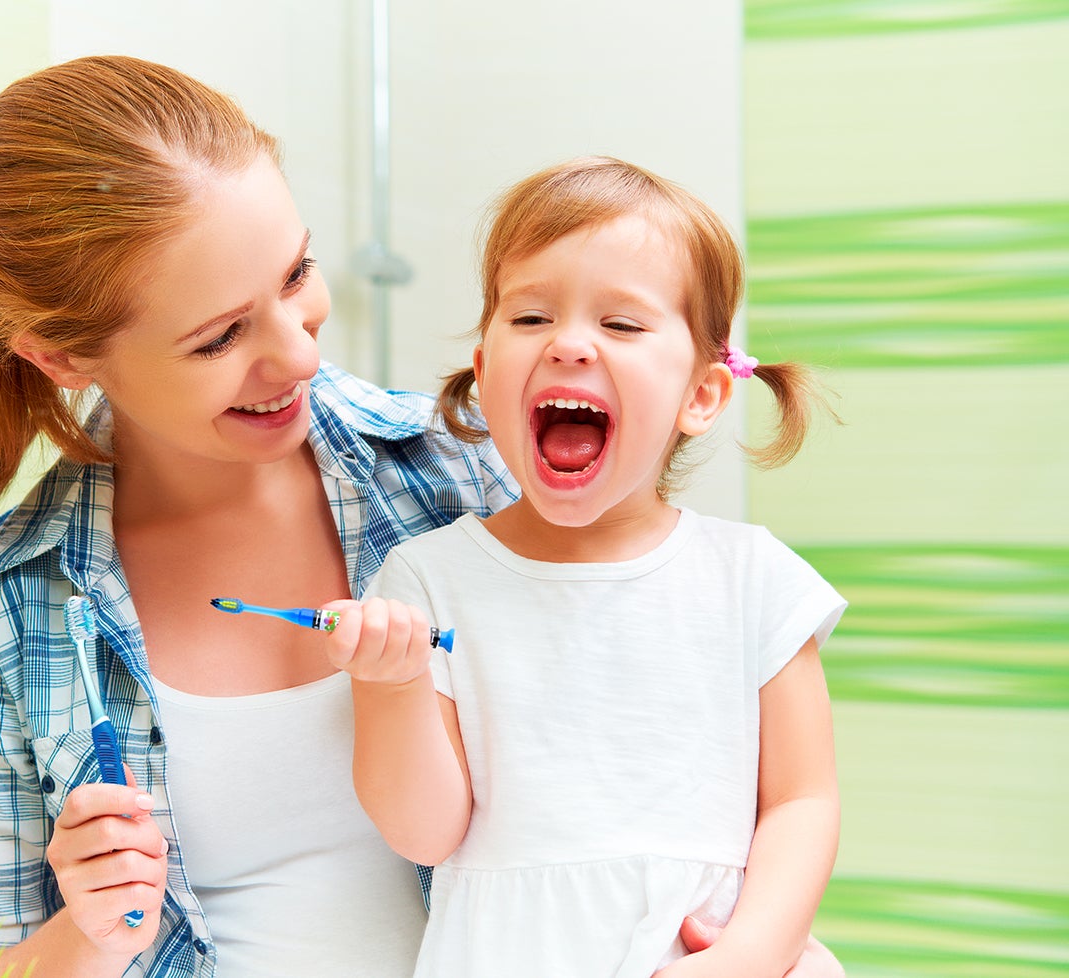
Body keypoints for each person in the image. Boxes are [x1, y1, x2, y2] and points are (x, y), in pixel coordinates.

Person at [0, 57, 844, 978]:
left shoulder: (469, 476)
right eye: (221, 336)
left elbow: (689, 774)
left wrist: (758, 945)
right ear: (60, 356)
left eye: (294, 276)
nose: (300, 354)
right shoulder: (7, 607)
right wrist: (84, 933)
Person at [320, 156, 843, 977]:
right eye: (530, 318)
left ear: (701, 395)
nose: (568, 344)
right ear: (487, 373)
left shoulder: (753, 581)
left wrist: (750, 955)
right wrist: (390, 686)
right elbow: (425, 834)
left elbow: (802, 801)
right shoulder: (428, 580)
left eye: (623, 326)